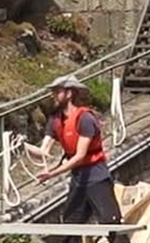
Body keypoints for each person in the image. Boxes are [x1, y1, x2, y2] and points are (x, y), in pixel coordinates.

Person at [26, 74, 123, 234]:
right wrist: (21, 146)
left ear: (69, 93)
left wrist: (52, 173)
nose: (53, 96)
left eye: (57, 92)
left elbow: (80, 156)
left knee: (111, 223)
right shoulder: (55, 120)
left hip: (96, 176)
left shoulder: (85, 119)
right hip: (78, 178)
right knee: (71, 224)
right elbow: (43, 152)